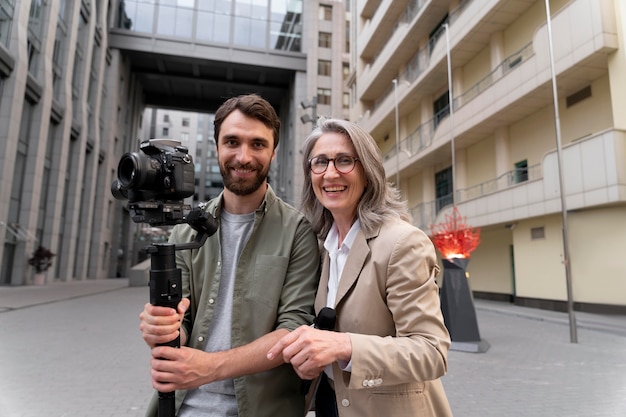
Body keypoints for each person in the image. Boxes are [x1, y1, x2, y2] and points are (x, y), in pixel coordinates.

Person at [138, 94, 320, 417]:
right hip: (181, 408)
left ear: (273, 153)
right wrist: (162, 329)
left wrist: (209, 367)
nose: (243, 156)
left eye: (258, 144)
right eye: (232, 142)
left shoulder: (298, 232)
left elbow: (292, 330)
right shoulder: (184, 232)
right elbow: (182, 329)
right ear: (217, 146)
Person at [267, 117, 453, 417]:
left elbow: (431, 352)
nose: (330, 173)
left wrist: (343, 345)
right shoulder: (321, 246)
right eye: (320, 162)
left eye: (344, 161)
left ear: (367, 172)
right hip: (331, 403)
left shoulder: (402, 243)